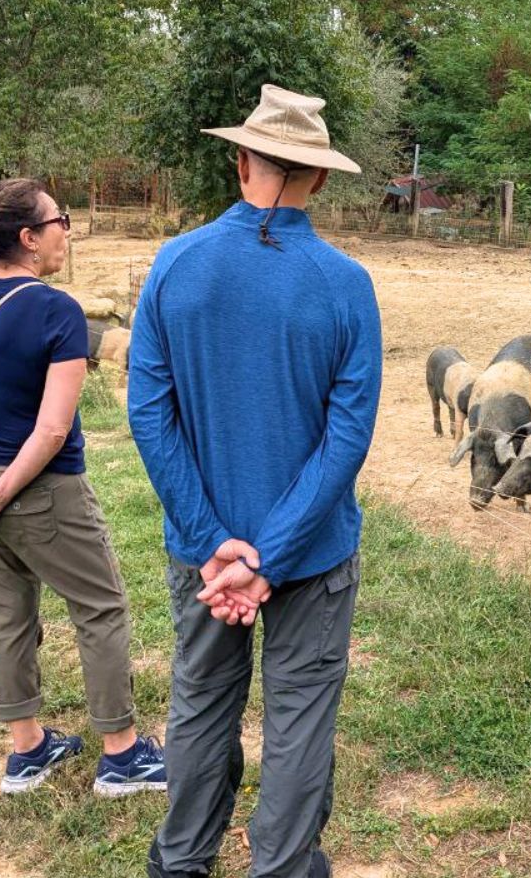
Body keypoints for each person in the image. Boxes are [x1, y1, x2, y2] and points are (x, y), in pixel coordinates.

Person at [131, 85, 382, 878]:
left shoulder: (175, 265)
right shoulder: (346, 285)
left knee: (202, 699)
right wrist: (266, 555)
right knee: (301, 715)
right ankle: (282, 866)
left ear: (240, 159)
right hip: (310, 556)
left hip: (202, 558)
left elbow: (149, 414)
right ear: (323, 179)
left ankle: (181, 860)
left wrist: (213, 544)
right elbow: (347, 439)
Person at [0, 178, 167, 798]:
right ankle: (122, 754)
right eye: (61, 219)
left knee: (7, 612)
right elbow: (53, 429)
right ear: (29, 239)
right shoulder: (57, 311)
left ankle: (26, 751)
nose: (68, 230)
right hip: (43, 491)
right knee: (100, 608)